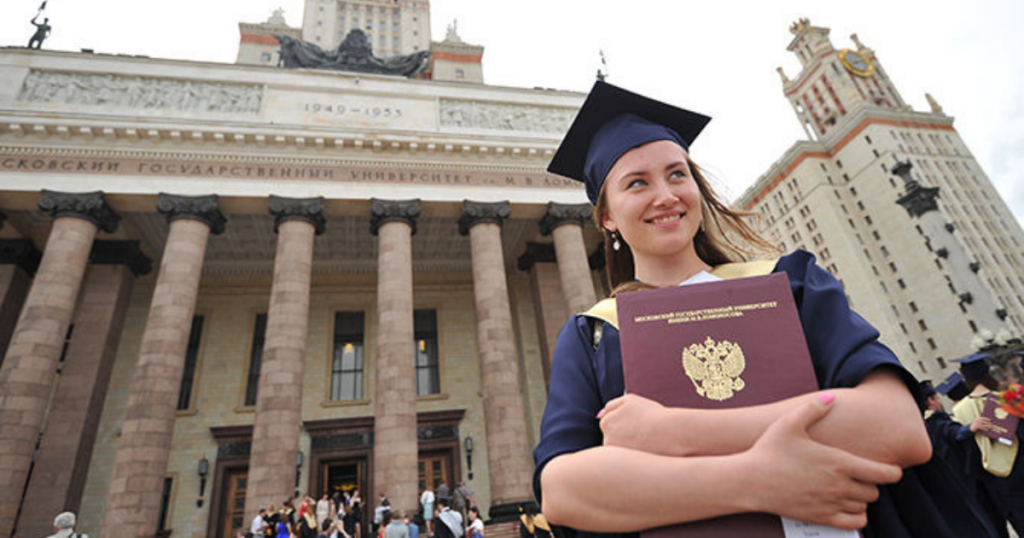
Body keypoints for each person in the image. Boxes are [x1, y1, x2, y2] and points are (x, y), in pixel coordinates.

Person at [533, 80, 933, 536]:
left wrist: (676, 432)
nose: (665, 195)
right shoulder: (595, 333)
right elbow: (562, 490)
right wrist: (755, 480)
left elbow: (898, 426)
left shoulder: (788, 282)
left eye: (677, 174)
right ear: (607, 217)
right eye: (637, 183)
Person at [952, 352, 1024, 537]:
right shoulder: (1008, 397)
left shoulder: (958, 410)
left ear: (966, 379)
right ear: (989, 374)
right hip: (1019, 465)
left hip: (992, 475)